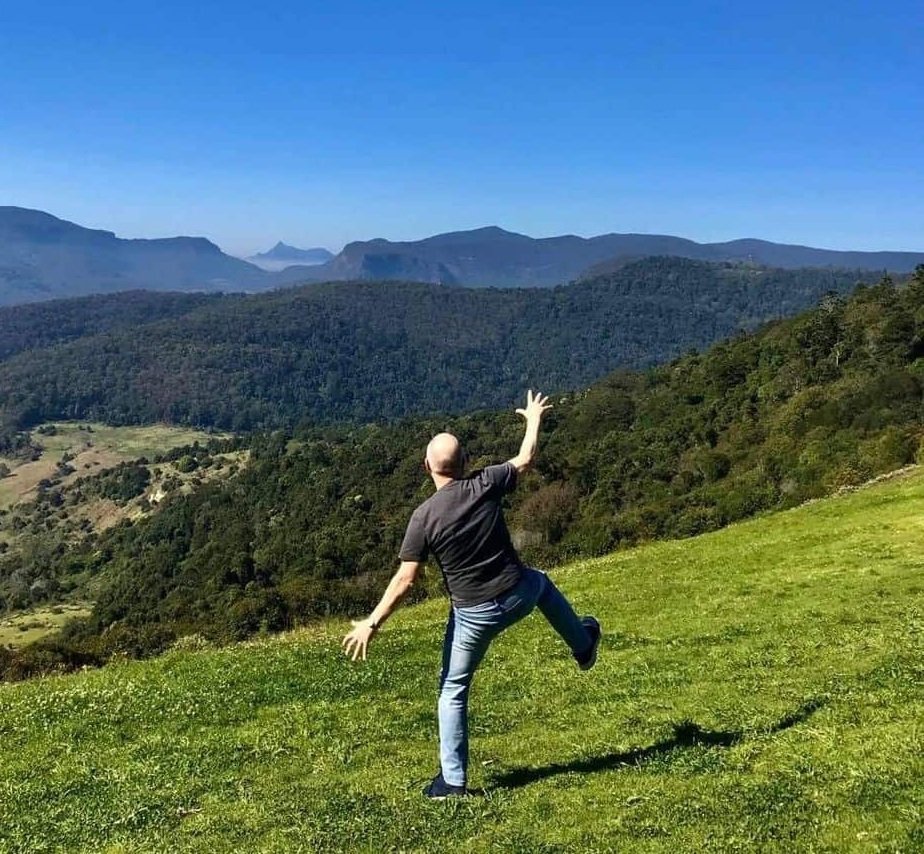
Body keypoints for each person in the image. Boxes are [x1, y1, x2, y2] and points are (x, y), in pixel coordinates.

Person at [342, 390, 601, 799]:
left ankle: (453, 782)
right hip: (519, 593)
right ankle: (584, 646)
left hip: (474, 615)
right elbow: (526, 459)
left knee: (453, 690)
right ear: (465, 464)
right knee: (544, 585)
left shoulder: (423, 517)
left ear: (427, 466)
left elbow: (406, 578)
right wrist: (533, 418)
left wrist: (372, 623)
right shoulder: (485, 483)